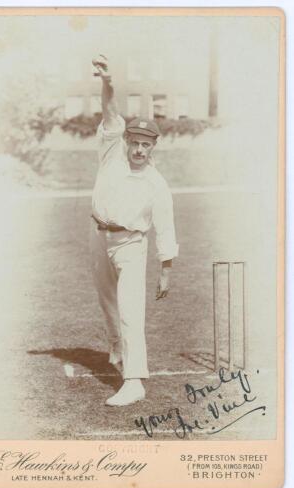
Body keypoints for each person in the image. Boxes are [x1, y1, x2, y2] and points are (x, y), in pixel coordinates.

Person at [90, 55, 179, 406]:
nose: (139, 149)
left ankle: (135, 381)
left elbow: (166, 226)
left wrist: (166, 271)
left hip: (131, 244)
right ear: (125, 140)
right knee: (107, 302)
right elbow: (109, 111)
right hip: (97, 236)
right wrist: (107, 82)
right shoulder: (111, 150)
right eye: (135, 142)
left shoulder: (156, 183)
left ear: (153, 147)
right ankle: (117, 349)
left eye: (146, 144)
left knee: (130, 309)